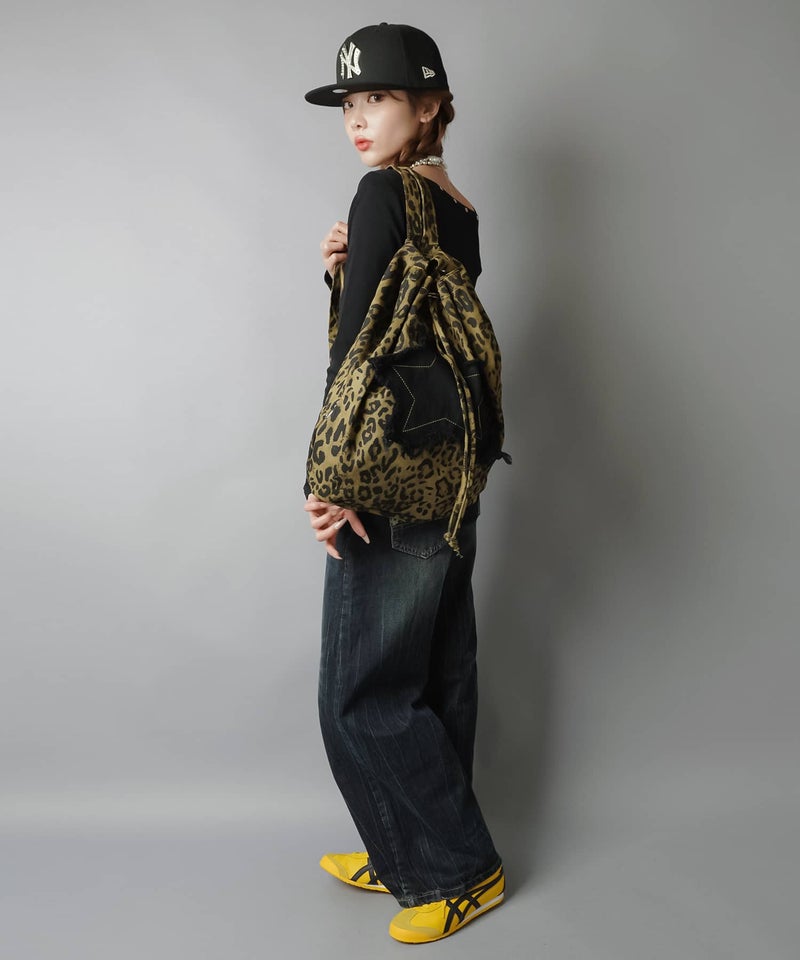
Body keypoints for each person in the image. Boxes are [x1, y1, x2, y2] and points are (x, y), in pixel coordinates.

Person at [302, 23, 504, 945]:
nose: (357, 119)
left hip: (385, 472)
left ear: (428, 105)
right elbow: (420, 334)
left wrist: (332, 476)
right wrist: (346, 273)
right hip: (450, 467)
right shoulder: (456, 207)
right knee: (434, 671)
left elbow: (361, 356)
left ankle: (457, 871)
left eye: (377, 98)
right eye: (349, 103)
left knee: (361, 692)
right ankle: (404, 850)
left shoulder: (382, 192)